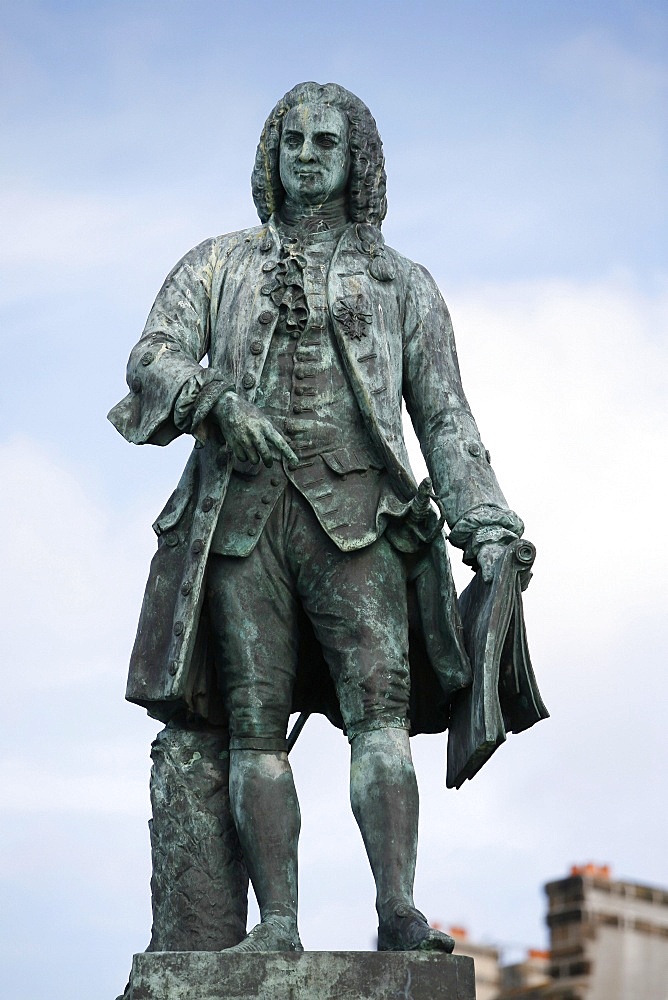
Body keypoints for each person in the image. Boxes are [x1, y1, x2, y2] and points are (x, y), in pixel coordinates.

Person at [109, 82, 524, 954]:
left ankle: (397, 910)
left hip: (363, 521)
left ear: (354, 159)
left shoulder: (402, 284)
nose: (305, 154)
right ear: (271, 153)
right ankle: (280, 927)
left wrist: (484, 522)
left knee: (381, 720)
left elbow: (445, 416)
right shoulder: (216, 265)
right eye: (291, 139)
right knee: (253, 731)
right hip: (242, 524)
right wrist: (215, 399)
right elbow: (153, 356)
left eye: (323, 142)